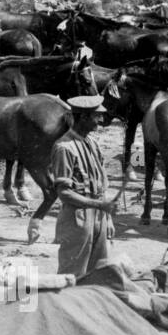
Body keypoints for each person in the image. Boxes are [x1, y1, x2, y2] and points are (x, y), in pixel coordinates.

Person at [48, 95, 120, 277]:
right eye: (97, 116)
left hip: (99, 218)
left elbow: (101, 185)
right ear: (84, 117)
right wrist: (100, 206)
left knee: (99, 273)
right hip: (77, 220)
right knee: (72, 276)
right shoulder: (64, 148)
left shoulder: (93, 144)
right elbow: (63, 193)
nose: (101, 120)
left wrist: (107, 218)